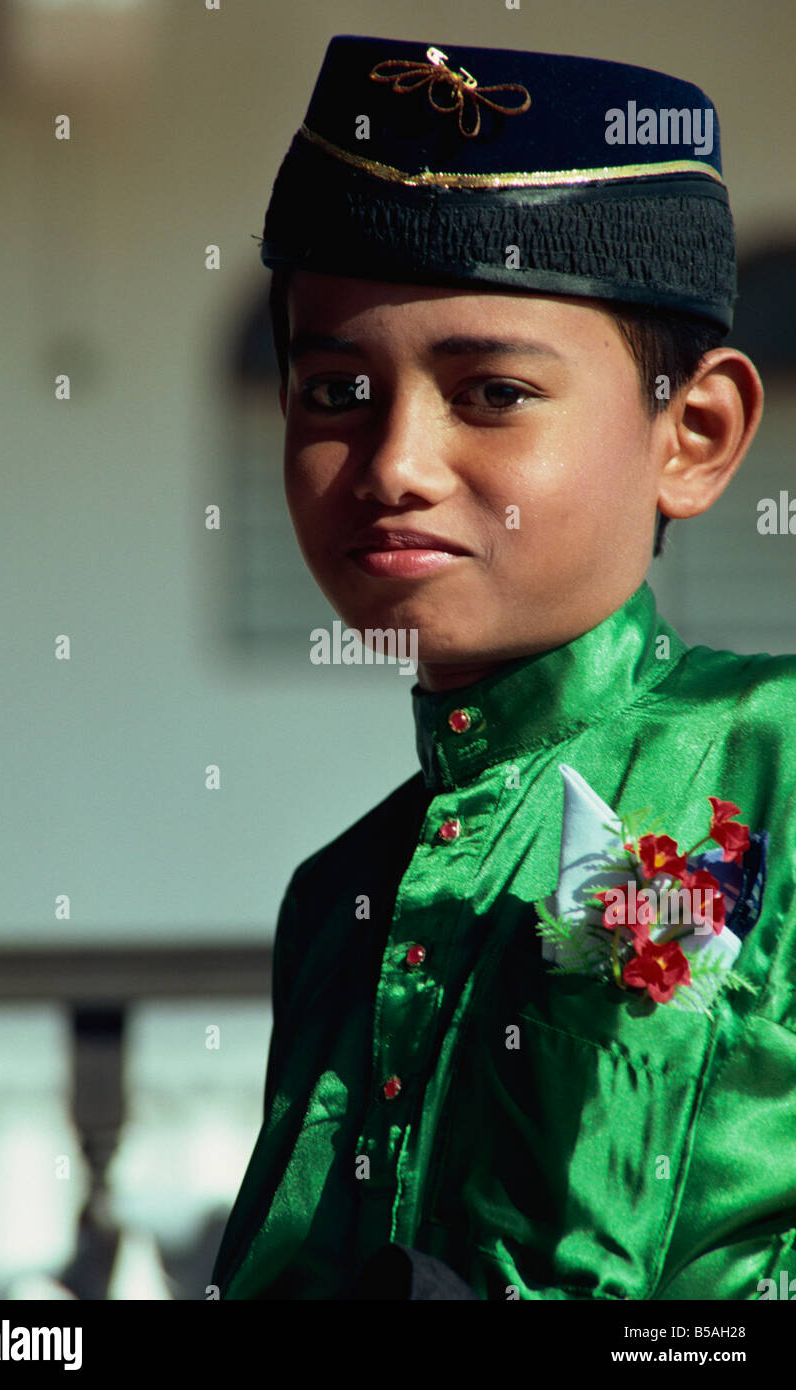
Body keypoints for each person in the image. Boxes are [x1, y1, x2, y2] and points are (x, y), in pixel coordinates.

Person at [211, 34, 796, 1300]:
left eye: (489, 393)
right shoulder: (340, 896)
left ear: (692, 435)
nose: (394, 462)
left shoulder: (775, 755)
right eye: (334, 391)